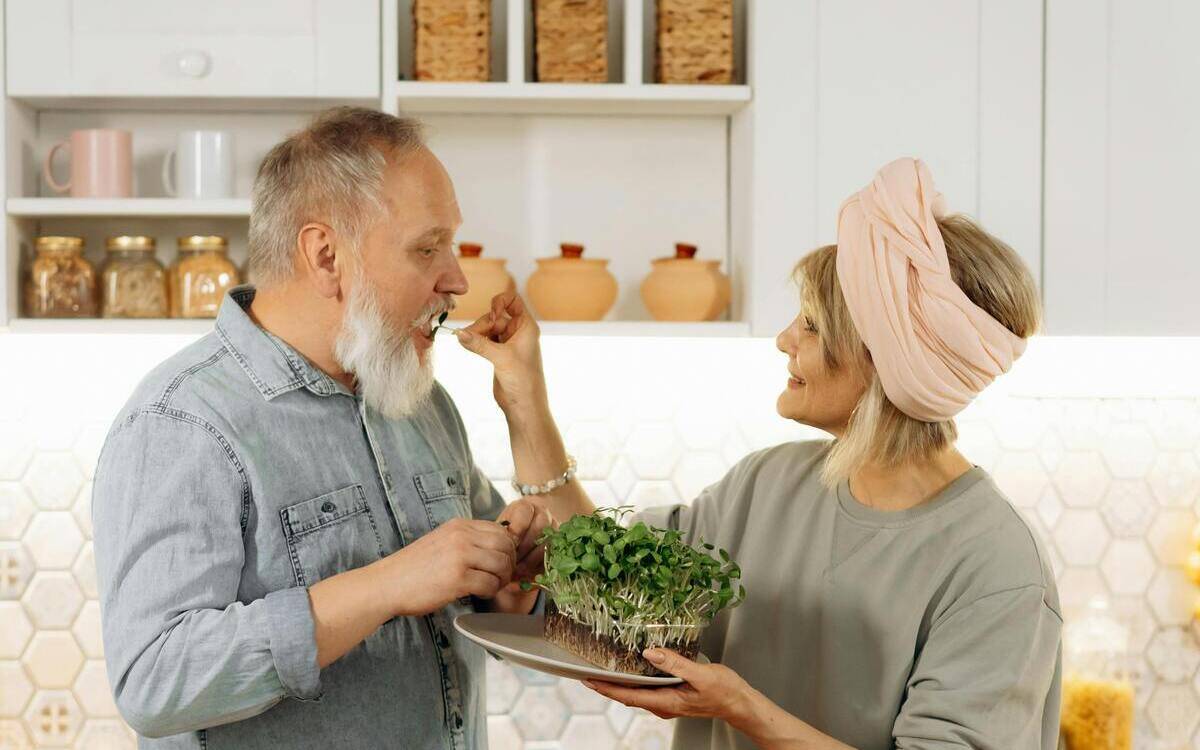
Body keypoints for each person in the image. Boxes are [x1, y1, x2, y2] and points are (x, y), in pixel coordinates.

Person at [457, 158, 1062, 749]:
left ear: (883, 363)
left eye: (813, 325)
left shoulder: (998, 569)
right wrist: (524, 399)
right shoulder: (771, 483)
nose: (783, 340)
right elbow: (609, 578)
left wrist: (742, 710)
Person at [91, 107, 593, 749]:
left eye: (453, 244)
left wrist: (509, 585)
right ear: (326, 255)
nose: (458, 279)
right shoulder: (180, 422)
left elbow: (509, 616)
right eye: (427, 247)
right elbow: (154, 683)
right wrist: (388, 583)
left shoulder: (421, 403)